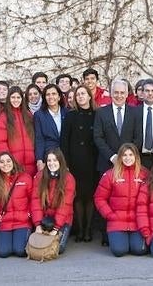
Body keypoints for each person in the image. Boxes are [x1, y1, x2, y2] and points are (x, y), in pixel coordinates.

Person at [94, 143, 149, 257]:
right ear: (120, 157)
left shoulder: (144, 174)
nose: (128, 158)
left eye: (131, 154)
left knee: (139, 250)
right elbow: (99, 198)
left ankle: (132, 241)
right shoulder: (110, 175)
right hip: (117, 221)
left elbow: (152, 198)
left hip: (137, 222)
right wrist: (109, 215)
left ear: (136, 157)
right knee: (119, 251)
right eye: (124, 155)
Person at [61, 85, 98, 242]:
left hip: (93, 160)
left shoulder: (98, 114)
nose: (81, 97)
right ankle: (80, 229)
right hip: (76, 160)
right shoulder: (71, 116)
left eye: (84, 94)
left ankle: (88, 229)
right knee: (77, 197)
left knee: (90, 196)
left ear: (90, 96)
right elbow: (64, 141)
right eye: (78, 95)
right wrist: (66, 163)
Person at [31, 148, 76, 253]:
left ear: (60, 161)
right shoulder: (39, 176)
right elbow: (35, 200)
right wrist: (37, 224)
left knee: (57, 248)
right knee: (37, 244)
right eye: (49, 160)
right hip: (45, 218)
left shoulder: (68, 178)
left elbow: (65, 205)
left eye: (55, 160)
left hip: (63, 220)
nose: (52, 163)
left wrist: (55, 229)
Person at [0, 152, 33, 258]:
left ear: (13, 162)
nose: (5, 164)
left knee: (20, 251)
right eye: (2, 162)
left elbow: (33, 200)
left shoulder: (25, 178)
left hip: (22, 221)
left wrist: (29, 214)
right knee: (3, 252)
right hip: (4, 222)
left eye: (8, 161)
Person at [93, 78, 142, 174]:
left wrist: (127, 157)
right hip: (106, 163)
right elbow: (98, 137)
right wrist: (112, 157)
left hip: (129, 163)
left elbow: (138, 137)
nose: (119, 96)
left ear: (127, 94)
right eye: (116, 92)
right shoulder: (101, 112)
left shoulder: (135, 113)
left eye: (122, 93)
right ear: (111, 93)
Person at [0, 86, 36, 176]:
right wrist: (8, 162)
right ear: (9, 99)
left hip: (31, 163)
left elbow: (34, 138)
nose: (15, 100)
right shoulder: (2, 117)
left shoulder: (28, 115)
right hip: (14, 165)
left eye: (18, 97)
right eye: (13, 97)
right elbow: (0, 142)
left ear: (22, 99)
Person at [34, 84, 67, 171]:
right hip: (49, 156)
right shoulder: (39, 115)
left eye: (54, 94)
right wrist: (39, 160)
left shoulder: (67, 112)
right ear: (44, 98)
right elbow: (39, 139)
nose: (51, 97)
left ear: (59, 97)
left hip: (66, 155)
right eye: (48, 94)